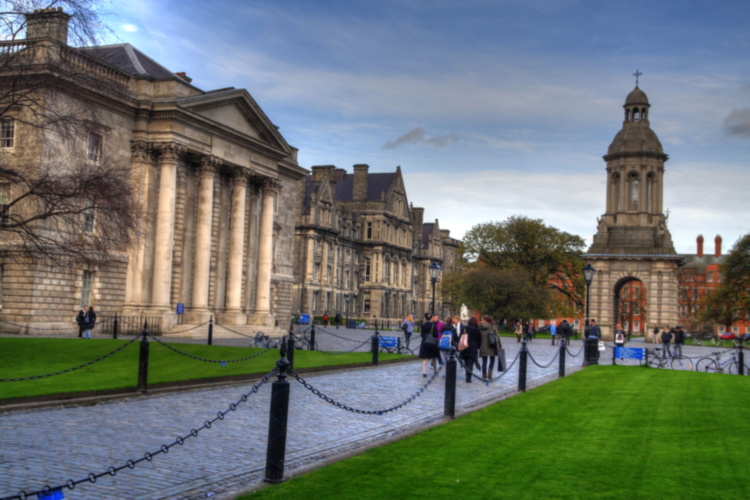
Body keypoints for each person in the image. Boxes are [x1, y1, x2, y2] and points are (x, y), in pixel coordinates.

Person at [460, 317, 482, 383]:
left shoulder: (464, 328)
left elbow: (460, 337)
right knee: (470, 363)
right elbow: (480, 340)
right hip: (473, 347)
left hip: (464, 346)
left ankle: (467, 374)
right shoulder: (477, 330)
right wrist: (477, 347)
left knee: (467, 361)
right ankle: (468, 376)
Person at [479, 315, 500, 381]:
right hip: (492, 345)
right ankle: (489, 375)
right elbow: (497, 337)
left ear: (485, 320)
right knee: (492, 360)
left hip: (483, 345)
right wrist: (500, 346)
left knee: (484, 361)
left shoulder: (480, 326)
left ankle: (484, 375)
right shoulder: (492, 326)